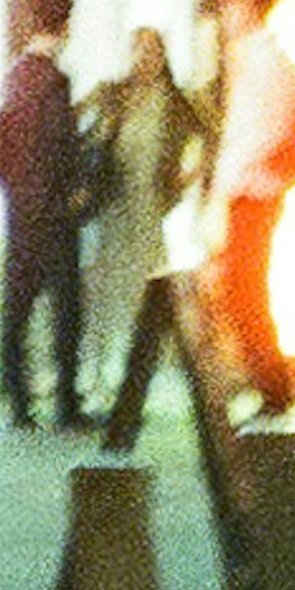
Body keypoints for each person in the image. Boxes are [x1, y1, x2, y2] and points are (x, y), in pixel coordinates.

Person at [0, 0, 93, 434]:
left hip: (19, 211)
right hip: (53, 212)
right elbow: (57, 146)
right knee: (66, 309)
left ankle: (20, 403)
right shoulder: (54, 80)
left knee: (18, 309)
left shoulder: (16, 75)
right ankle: (66, 402)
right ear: (65, 23)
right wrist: (72, 189)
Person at [208, 0, 295, 417]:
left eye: (229, 3)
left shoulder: (257, 58)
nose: (224, 13)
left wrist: (220, 193)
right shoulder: (265, 55)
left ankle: (273, 387)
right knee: (246, 290)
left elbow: (249, 136)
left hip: (251, 191)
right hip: (258, 190)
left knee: (244, 292)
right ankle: (271, 385)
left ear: (249, 4)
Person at [88, 22, 206, 403]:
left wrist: (188, 176)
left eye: (153, 50)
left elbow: (208, 136)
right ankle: (103, 373)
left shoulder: (174, 99)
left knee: (147, 285)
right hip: (115, 204)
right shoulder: (114, 93)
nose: (145, 57)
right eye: (139, 49)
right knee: (109, 286)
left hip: (150, 205)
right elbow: (85, 128)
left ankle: (143, 370)